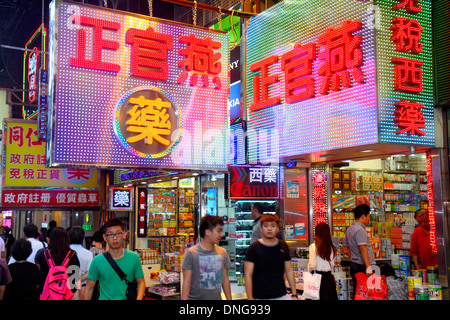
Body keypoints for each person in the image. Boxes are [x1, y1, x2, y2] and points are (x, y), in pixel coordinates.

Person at [83, 219, 145, 300]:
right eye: (110, 234)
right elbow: (89, 289)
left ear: (123, 234)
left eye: (118, 233)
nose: (115, 238)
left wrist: (139, 298)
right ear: (105, 237)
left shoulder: (134, 257)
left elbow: (141, 282)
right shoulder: (97, 261)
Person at [244, 214, 298, 300]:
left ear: (277, 229)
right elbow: (248, 275)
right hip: (259, 296)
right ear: (261, 229)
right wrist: (250, 298)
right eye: (266, 226)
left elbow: (289, 270)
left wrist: (294, 295)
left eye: (273, 226)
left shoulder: (283, 246)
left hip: (281, 295)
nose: (269, 229)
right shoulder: (253, 248)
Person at [181, 215, 232, 300]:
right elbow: (186, 282)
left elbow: (225, 279)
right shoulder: (191, 253)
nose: (221, 235)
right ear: (207, 232)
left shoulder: (222, 252)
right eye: (219, 231)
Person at [35, 227, 81, 298]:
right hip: (66, 296)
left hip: (48, 296)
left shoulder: (43, 255)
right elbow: (74, 282)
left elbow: (41, 278)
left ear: (51, 239)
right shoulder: (72, 256)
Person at [344, 204, 376, 299]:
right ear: (363, 216)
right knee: (366, 293)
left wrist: (353, 258)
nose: (369, 219)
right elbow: (363, 248)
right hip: (362, 267)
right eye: (369, 216)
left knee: (358, 292)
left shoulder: (349, 229)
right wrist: (368, 267)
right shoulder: (360, 230)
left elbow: (347, 246)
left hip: (355, 265)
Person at [308, 223, 338, 300]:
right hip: (328, 279)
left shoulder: (313, 246)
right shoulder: (332, 246)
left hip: (317, 279)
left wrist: (309, 269)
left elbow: (313, 265)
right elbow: (332, 264)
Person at [69, 226, 94, 294]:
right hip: (83, 287)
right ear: (83, 238)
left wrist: (72, 281)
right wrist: (77, 281)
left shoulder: (65, 252)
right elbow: (89, 273)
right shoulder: (88, 254)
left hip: (66, 288)